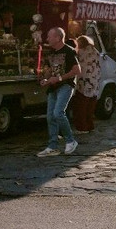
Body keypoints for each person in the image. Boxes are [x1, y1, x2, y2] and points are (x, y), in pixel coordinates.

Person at [36, 27, 81, 157]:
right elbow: (50, 69)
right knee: (50, 116)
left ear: (57, 37)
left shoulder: (69, 51)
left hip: (65, 85)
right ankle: (53, 146)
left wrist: (59, 78)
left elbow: (77, 71)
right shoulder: (51, 52)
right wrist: (46, 78)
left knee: (58, 113)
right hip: (53, 87)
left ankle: (70, 140)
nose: (47, 39)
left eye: (50, 36)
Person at [72, 35, 101, 134]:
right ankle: (90, 126)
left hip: (83, 82)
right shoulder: (95, 52)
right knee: (90, 107)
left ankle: (82, 128)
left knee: (81, 107)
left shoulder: (81, 52)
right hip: (94, 82)